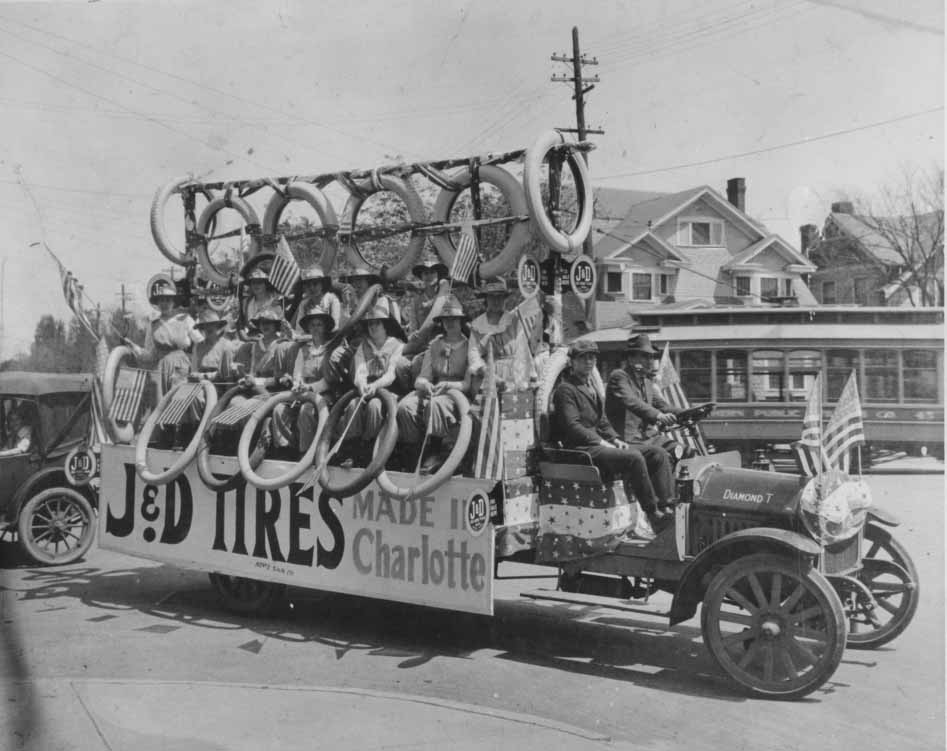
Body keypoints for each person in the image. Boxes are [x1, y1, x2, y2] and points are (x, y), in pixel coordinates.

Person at [551, 339, 673, 536]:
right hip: (581, 449)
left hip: (599, 445)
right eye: (583, 358)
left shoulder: (591, 388)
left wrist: (616, 439)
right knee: (633, 457)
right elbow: (573, 427)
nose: (589, 362)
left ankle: (668, 507)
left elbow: (603, 422)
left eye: (591, 358)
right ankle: (653, 513)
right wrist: (601, 441)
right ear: (572, 362)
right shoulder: (566, 390)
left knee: (657, 453)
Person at [396, 296, 475, 471]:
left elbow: (467, 384)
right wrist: (426, 385)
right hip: (434, 389)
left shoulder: (470, 347)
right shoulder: (434, 345)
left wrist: (448, 386)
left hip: (456, 393)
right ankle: (413, 452)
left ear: (461, 321)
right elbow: (422, 379)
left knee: (436, 404)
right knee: (405, 406)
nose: (450, 323)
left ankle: (436, 450)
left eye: (454, 319)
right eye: (446, 319)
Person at [605, 333, 685, 471]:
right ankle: (666, 493)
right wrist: (658, 416)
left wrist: (690, 413)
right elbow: (632, 401)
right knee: (661, 456)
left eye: (651, 357)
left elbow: (663, 406)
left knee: (684, 451)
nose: (650, 361)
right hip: (628, 440)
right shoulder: (619, 377)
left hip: (650, 438)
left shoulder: (647, 382)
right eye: (644, 356)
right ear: (631, 359)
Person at [337, 303, 405, 465]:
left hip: (388, 389)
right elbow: (360, 368)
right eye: (370, 324)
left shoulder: (397, 345)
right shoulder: (363, 346)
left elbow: (391, 374)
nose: (373, 327)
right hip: (367, 387)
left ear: (385, 325)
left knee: (374, 406)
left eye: (377, 323)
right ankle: (352, 450)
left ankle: (370, 449)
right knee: (354, 404)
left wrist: (376, 386)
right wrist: (362, 383)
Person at [272, 301, 337, 451]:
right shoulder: (304, 349)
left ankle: (306, 452)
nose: (315, 328)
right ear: (308, 327)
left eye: (319, 324)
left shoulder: (330, 348)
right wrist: (298, 384)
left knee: (306, 410)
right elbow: (298, 372)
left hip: (324, 393)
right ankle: (285, 448)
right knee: (279, 408)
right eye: (312, 325)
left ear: (325, 327)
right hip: (302, 390)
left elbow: (327, 381)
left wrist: (309, 388)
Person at [134, 277, 202, 398]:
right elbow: (150, 355)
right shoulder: (153, 324)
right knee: (160, 403)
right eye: (161, 300)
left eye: (168, 300)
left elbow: (200, 343)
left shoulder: (185, 319)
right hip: (161, 370)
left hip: (181, 368)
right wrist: (134, 348)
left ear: (173, 302)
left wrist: (196, 366)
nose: (164, 304)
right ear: (157, 303)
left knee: (179, 401)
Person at [189, 310, 238, 382]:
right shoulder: (197, 347)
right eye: (205, 325)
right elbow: (193, 371)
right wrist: (195, 376)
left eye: (212, 324)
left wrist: (204, 376)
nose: (208, 327)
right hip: (199, 385)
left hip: (219, 386)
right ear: (202, 328)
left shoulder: (226, 346)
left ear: (217, 326)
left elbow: (227, 374)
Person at [291, 266, 341, 335]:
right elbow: (299, 329)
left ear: (322, 284)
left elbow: (335, 328)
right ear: (304, 288)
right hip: (309, 340)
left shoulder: (332, 300)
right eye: (308, 285)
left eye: (315, 284)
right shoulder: (304, 304)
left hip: (330, 339)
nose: (312, 288)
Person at [409, 258, 449, 333]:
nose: (429, 276)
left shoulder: (446, 297)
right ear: (422, 276)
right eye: (426, 273)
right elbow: (413, 326)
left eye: (432, 272)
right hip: (423, 341)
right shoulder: (416, 301)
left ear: (438, 275)